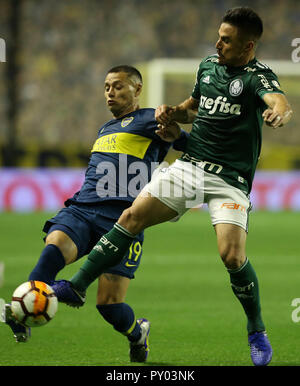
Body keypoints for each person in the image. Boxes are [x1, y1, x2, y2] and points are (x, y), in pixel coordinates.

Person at [53, 7, 292, 366]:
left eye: (226, 40)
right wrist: (171, 112)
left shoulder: (259, 77)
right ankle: (77, 285)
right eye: (219, 36)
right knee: (132, 216)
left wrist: (279, 113)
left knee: (232, 256)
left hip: (229, 179)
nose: (218, 43)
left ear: (248, 46)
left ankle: (256, 330)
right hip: (191, 166)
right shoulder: (208, 66)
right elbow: (194, 107)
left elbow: (279, 102)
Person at [1, 65, 188, 362]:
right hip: (83, 209)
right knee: (52, 252)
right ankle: (22, 312)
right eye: (106, 87)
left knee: (109, 306)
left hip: (125, 220)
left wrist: (177, 138)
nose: (110, 92)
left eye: (117, 86)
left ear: (137, 90)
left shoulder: (151, 118)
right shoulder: (105, 128)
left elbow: (189, 144)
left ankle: (137, 333)